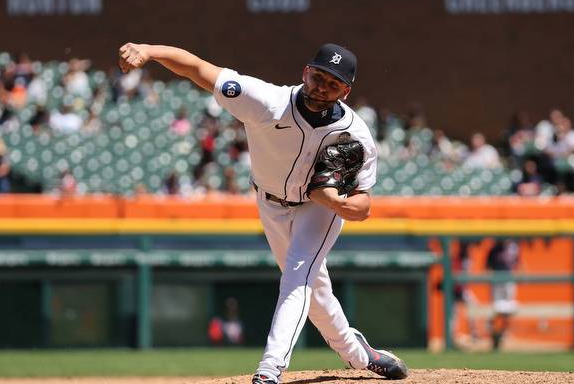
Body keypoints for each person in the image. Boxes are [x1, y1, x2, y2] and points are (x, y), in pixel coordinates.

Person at [118, 42, 408, 383]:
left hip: (318, 210)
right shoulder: (266, 101)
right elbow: (198, 68)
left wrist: (336, 203)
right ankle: (360, 354)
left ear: (345, 90)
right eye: (318, 77)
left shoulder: (355, 134)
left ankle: (270, 370)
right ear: (305, 72)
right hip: (270, 204)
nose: (322, 87)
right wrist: (149, 50)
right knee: (315, 292)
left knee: (297, 279)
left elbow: (363, 206)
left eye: (333, 84)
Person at [485, 239, 520, 350]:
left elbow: (517, 263)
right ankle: (494, 333)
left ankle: (502, 333)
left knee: (509, 309)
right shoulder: (494, 249)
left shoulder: (514, 246)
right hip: (497, 281)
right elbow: (487, 266)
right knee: (496, 308)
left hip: (509, 279)